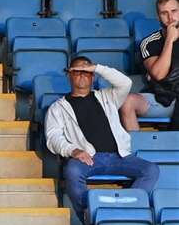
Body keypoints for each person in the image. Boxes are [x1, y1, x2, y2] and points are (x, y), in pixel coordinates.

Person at [44, 56, 157, 216]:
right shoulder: (58, 108)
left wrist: (96, 68)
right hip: (89, 159)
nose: (82, 75)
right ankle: (91, 220)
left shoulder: (107, 97)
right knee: (72, 171)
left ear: (92, 76)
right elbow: (53, 137)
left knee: (151, 170)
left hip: (120, 157)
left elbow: (126, 83)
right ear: (69, 74)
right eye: (77, 71)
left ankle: (126, 212)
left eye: (86, 71)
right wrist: (74, 151)